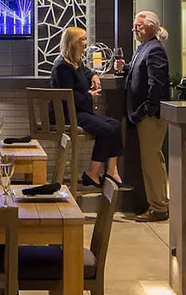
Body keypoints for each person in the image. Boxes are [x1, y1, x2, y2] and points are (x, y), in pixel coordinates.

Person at [50, 25, 127, 189]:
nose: (86, 43)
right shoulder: (62, 66)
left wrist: (94, 76)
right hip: (66, 114)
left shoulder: (75, 62)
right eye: (83, 39)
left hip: (77, 111)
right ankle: (92, 173)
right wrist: (89, 96)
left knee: (116, 125)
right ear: (74, 43)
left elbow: (86, 71)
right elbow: (69, 95)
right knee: (106, 129)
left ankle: (112, 171)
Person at [115, 11, 171, 222]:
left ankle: (158, 208)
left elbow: (157, 85)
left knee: (151, 162)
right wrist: (125, 68)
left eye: (138, 26)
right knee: (154, 160)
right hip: (145, 114)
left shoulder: (154, 50)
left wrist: (145, 110)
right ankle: (161, 202)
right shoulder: (144, 48)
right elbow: (139, 72)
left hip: (151, 117)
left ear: (150, 28)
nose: (134, 29)